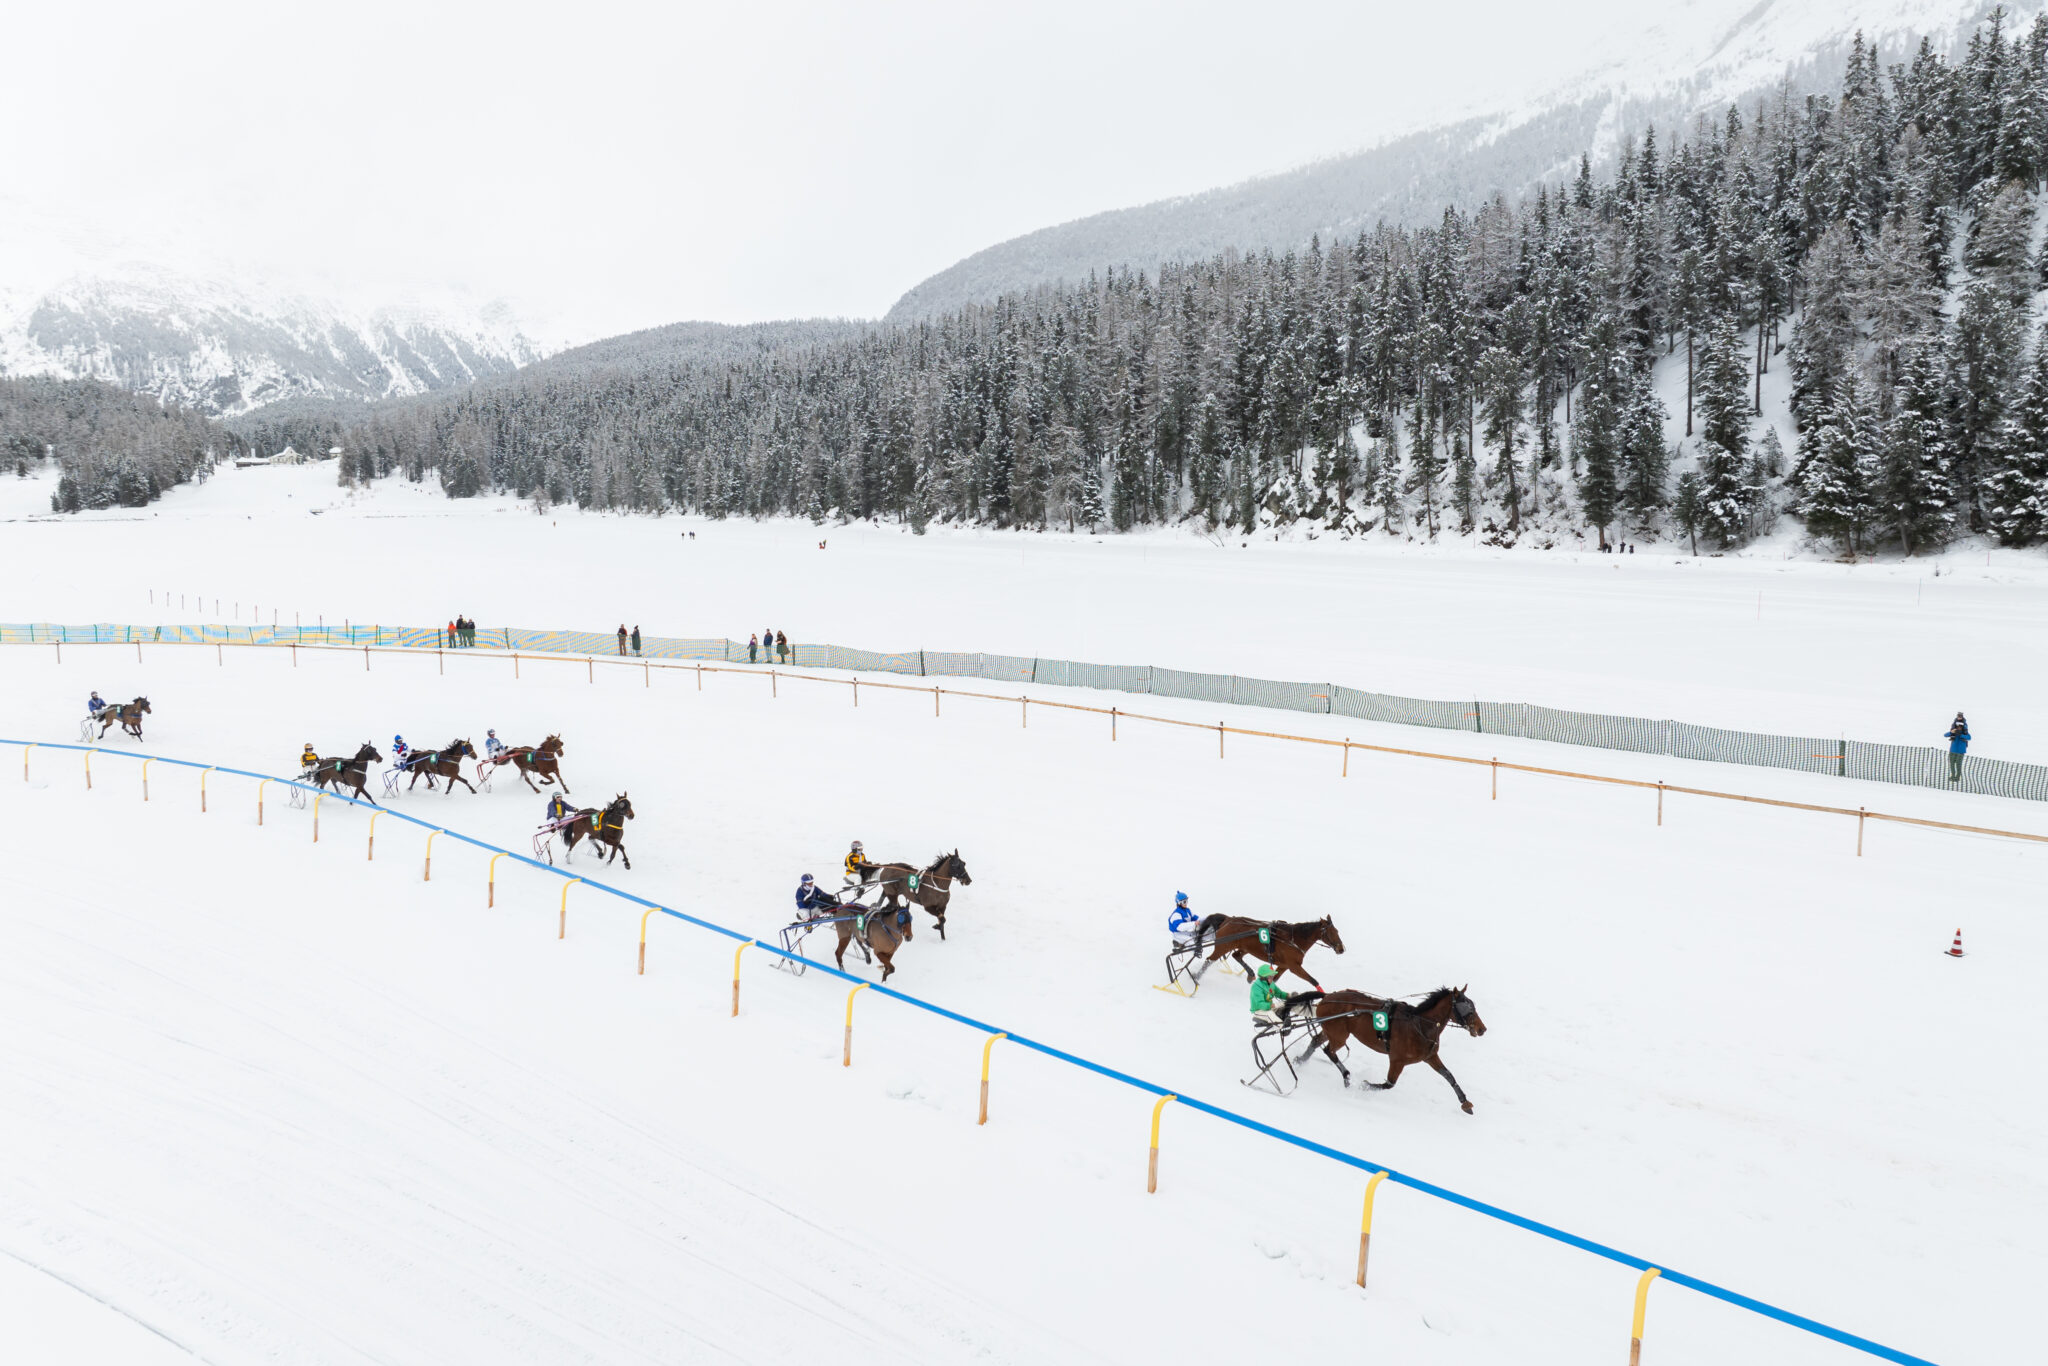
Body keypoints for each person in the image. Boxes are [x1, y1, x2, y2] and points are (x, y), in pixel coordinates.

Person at [1249, 963, 1292, 1028]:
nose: (1272, 978)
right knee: (1270, 1014)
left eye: (1273, 976)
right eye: (1270, 976)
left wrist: (1289, 996)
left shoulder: (1271, 984)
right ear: (1263, 978)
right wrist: (1272, 1005)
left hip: (1269, 1007)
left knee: (1287, 1005)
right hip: (1259, 1011)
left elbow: (1279, 993)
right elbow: (1259, 1004)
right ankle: (1282, 1026)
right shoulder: (1256, 987)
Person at [1945, 713, 1971, 782]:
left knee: (1958, 765)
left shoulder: (1965, 732)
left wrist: (1961, 735)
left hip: (1960, 751)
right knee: (1952, 764)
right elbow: (1945, 735)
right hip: (1953, 750)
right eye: (1957, 726)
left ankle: (1957, 778)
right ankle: (1952, 776)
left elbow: (1969, 737)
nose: (1958, 728)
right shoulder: (1953, 732)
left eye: (1960, 727)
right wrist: (1951, 732)